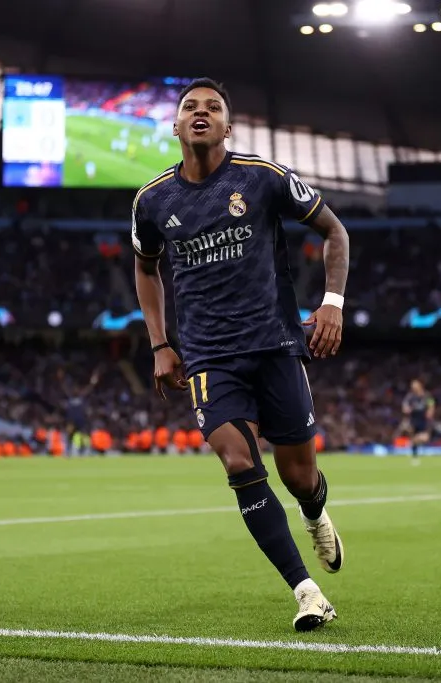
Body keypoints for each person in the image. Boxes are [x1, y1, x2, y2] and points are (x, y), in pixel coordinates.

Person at [131, 78, 350, 631]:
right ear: (176, 127)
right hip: (209, 357)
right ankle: (306, 591)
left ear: (228, 127)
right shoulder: (153, 201)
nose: (200, 113)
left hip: (275, 343)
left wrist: (332, 304)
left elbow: (334, 230)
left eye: (212, 108)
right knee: (237, 461)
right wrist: (160, 343)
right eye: (189, 107)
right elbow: (144, 267)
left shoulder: (263, 178)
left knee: (298, 474)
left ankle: (314, 509)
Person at [401, 379, 435, 464]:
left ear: (420, 385)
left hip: (424, 420)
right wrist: (406, 409)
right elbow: (404, 405)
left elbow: (431, 404)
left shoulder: (427, 395)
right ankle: (415, 457)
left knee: (425, 438)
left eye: (415, 385)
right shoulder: (410, 396)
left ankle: (412, 442)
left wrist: (430, 411)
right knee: (413, 437)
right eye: (412, 386)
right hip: (414, 419)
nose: (413, 387)